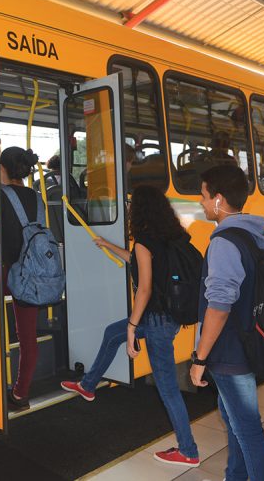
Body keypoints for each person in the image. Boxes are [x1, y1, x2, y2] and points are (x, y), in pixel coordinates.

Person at [60, 185, 200, 468]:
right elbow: (137, 260)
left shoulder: (146, 241)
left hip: (156, 321)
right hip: (168, 318)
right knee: (112, 333)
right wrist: (108, 245)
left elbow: (144, 289)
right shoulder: (169, 236)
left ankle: (188, 450)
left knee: (168, 389)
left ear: (139, 210)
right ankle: (88, 385)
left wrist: (133, 326)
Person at [190, 164, 264, 481]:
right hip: (246, 341)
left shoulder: (225, 242)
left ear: (218, 199)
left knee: (247, 429)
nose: (201, 202)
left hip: (230, 351)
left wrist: (199, 358)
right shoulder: (249, 235)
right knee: (234, 420)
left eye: (203, 195)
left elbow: (219, 307)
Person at [0, 146, 42, 411]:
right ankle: (20, 393)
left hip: (3, 273)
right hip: (32, 272)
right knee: (28, 337)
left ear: (3, 169)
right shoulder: (37, 197)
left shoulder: (0, 196)